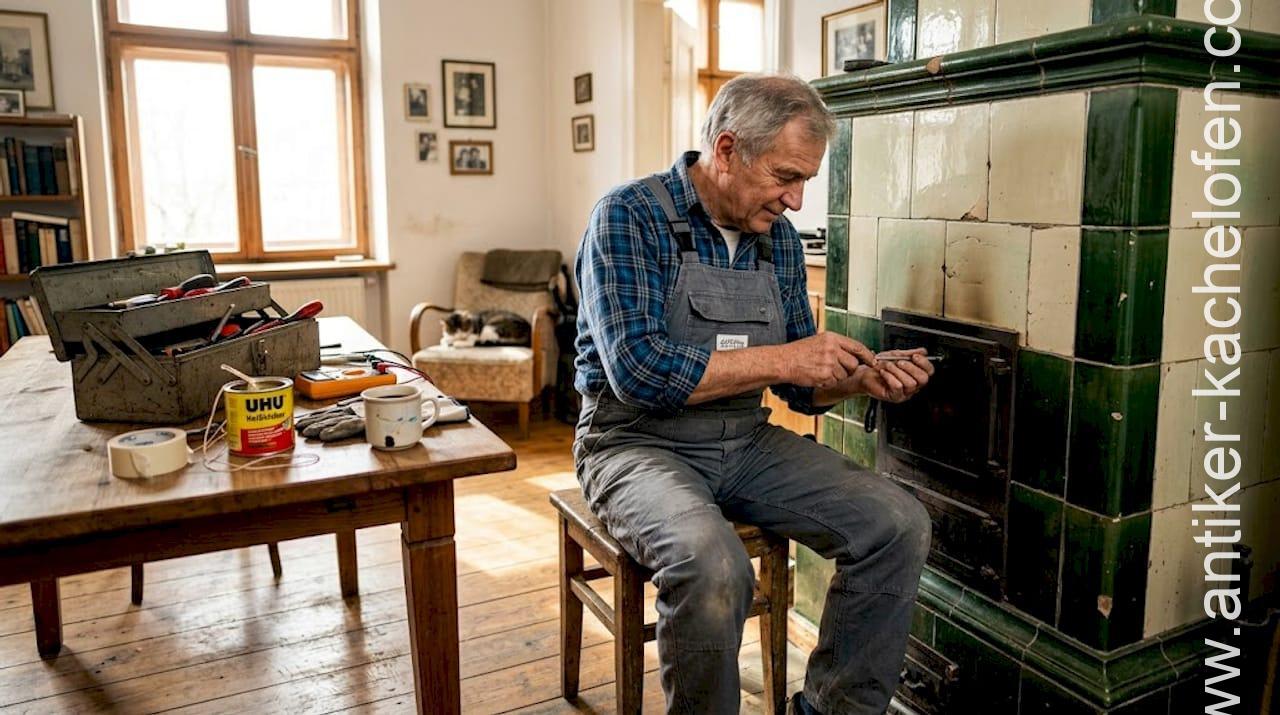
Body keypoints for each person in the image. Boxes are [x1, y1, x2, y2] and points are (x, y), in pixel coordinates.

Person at [573, 73, 935, 715]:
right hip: (632, 443)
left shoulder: (781, 244)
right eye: (785, 176)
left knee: (896, 523)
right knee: (713, 568)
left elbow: (799, 388)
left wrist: (857, 380)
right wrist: (788, 355)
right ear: (728, 148)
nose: (795, 200)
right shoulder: (629, 217)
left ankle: (832, 710)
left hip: (743, 441)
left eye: (804, 182)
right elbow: (638, 371)